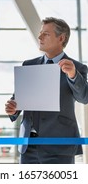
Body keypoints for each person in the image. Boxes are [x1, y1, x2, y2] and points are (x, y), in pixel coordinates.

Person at [5, 17, 88, 164]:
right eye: (40, 33)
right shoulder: (28, 65)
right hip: (28, 145)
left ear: (61, 38)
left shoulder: (77, 68)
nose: (40, 37)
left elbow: (84, 97)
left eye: (46, 34)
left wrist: (73, 75)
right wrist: (13, 109)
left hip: (59, 145)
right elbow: (18, 99)